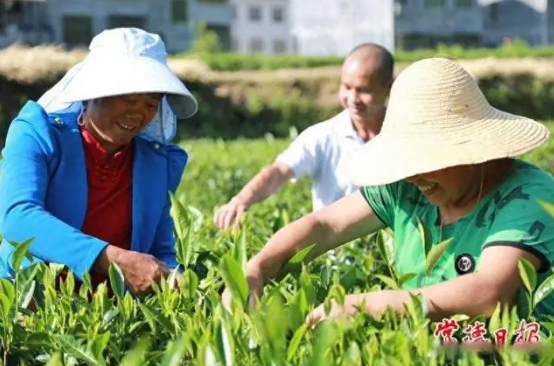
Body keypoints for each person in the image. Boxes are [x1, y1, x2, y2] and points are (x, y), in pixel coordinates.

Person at [223, 57, 554, 324]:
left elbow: (489, 293)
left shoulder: (528, 194)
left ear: (469, 150)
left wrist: (368, 305)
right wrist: (257, 268)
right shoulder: (406, 187)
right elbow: (326, 226)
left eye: (425, 159)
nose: (413, 175)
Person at [0, 27, 198, 295]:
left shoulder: (155, 163)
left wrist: (177, 281)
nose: (137, 114)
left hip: (110, 312)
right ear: (92, 92)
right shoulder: (37, 135)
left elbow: (159, 250)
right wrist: (115, 260)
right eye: (127, 98)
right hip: (29, 301)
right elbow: (18, 218)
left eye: (150, 104)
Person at [213, 43, 394, 231]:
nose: (353, 98)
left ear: (388, 87)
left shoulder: (406, 136)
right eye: (347, 87)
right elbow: (280, 171)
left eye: (363, 90)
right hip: (335, 253)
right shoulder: (323, 136)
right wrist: (242, 199)